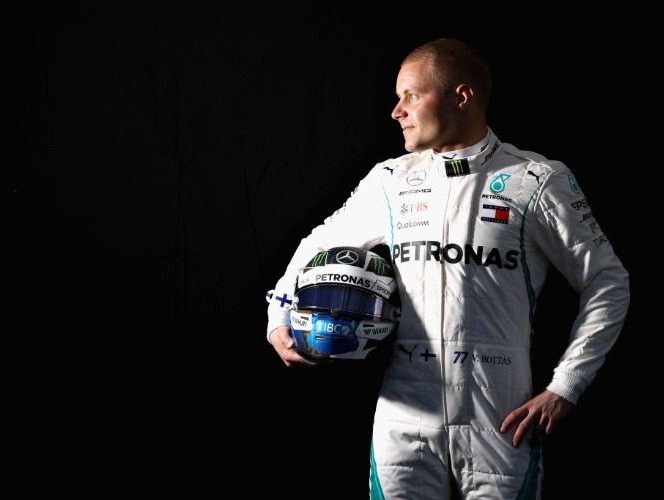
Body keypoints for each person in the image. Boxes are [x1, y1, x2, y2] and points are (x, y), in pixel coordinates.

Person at [264, 37, 630, 499]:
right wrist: (278, 314)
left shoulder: (537, 180)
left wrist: (567, 386)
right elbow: (318, 242)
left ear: (461, 96)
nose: (397, 110)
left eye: (411, 95)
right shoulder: (391, 180)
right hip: (403, 415)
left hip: (502, 417)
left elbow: (608, 280)